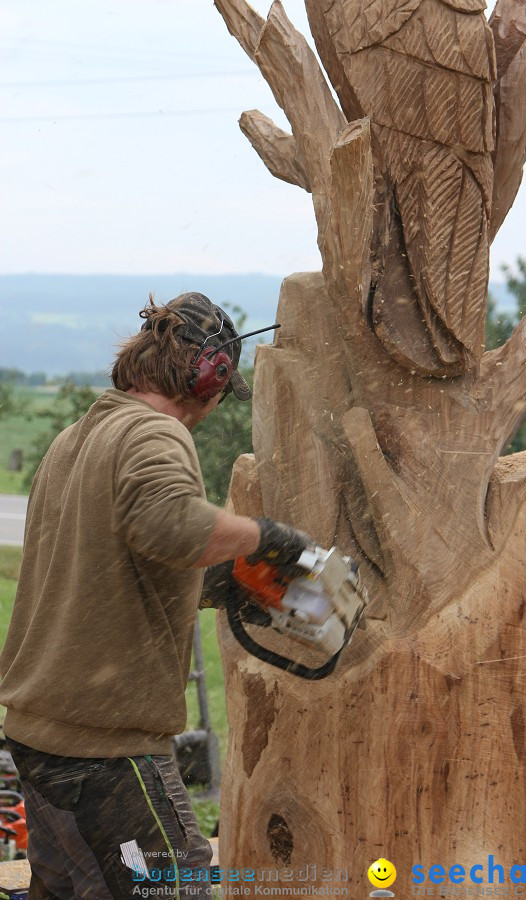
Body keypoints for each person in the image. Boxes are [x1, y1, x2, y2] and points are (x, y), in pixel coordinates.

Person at [0, 292, 313, 899]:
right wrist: (270, 540)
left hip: (40, 739)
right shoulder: (153, 437)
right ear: (210, 374)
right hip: (105, 752)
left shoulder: (76, 439)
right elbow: (169, 523)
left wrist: (229, 580)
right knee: (177, 887)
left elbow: (116, 561)